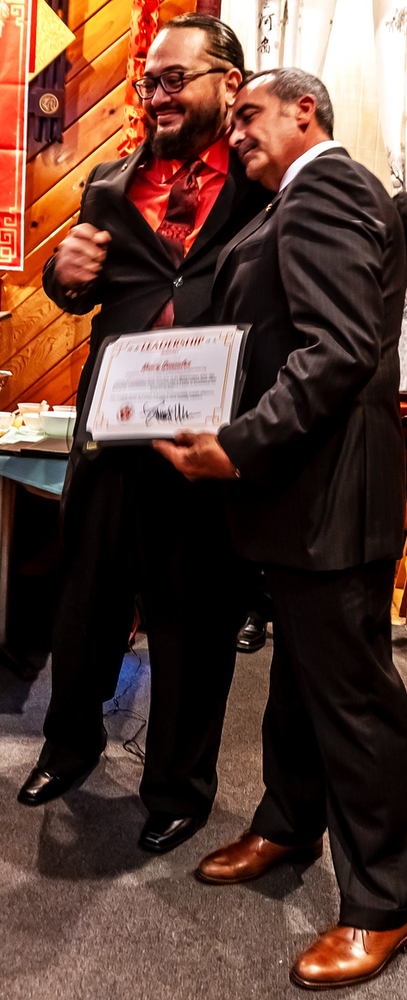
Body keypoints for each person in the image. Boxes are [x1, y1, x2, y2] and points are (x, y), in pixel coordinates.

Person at [153, 69, 407, 989]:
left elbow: (335, 349)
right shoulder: (290, 201)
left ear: (307, 111)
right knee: (300, 685)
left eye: (250, 116)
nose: (238, 135)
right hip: (297, 501)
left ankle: (382, 901)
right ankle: (289, 822)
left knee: (353, 704)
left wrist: (237, 445)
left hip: (327, 497)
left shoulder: (330, 186)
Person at [17, 14, 270, 854]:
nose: (156, 95)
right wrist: (61, 276)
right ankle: (69, 745)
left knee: (192, 623)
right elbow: (81, 290)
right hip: (111, 432)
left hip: (207, 442)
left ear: (227, 85)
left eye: (173, 80)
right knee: (83, 603)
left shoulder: (266, 189)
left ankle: (179, 788)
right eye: (149, 82)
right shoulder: (109, 186)